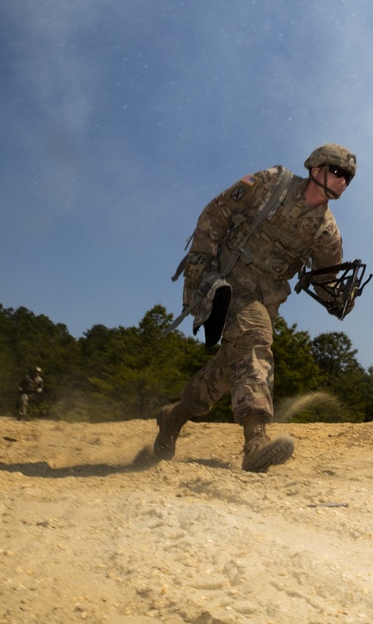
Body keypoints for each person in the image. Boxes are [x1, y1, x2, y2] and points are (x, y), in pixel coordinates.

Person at [153, 143, 357, 472]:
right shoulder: (272, 184)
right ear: (316, 168)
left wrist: (336, 294)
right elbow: (216, 213)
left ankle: (173, 418)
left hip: (266, 299)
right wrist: (199, 266)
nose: (343, 180)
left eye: (348, 177)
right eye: (337, 171)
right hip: (227, 281)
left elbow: (326, 278)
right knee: (255, 337)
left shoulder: (327, 232)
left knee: (228, 369)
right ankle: (256, 441)